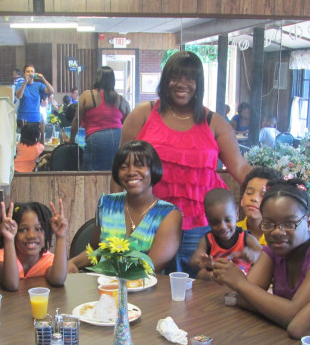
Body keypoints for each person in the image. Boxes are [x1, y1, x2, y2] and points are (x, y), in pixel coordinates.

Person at [119, 50, 251, 276]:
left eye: (190, 78)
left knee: (196, 296)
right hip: (150, 221)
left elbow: (239, 169)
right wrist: (119, 217)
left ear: (199, 83)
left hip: (201, 228)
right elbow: (120, 168)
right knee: (147, 287)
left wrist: (274, 189)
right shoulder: (143, 114)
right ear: (165, 80)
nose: (182, 84)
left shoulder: (214, 122)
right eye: (176, 77)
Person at [213, 179, 310, 328]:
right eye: (268, 224)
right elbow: (245, 298)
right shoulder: (274, 251)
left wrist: (240, 283)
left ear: (308, 223)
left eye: (288, 224)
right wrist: (278, 308)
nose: (277, 231)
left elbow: (295, 318)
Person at [68, 140, 182, 273]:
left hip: (146, 289)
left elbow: (150, 268)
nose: (131, 172)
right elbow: (96, 250)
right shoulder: (106, 204)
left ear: (153, 169)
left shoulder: (169, 215)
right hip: (104, 287)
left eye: (140, 165)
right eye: (124, 166)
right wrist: (72, 262)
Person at [0, 200, 69, 291]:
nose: (31, 235)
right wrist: (9, 240)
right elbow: (11, 285)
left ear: (47, 233)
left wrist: (61, 236)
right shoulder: (0, 257)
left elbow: (58, 280)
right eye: (23, 230)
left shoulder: (47, 259)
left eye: (38, 229)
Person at [189, 188, 260, 281]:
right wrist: (202, 262)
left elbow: (263, 256)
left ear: (236, 215)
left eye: (228, 220)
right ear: (208, 221)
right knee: (202, 274)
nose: (222, 226)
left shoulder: (246, 238)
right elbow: (193, 262)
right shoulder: (208, 240)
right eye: (215, 222)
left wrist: (253, 255)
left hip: (242, 282)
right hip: (217, 281)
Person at [70, 66, 131, 171]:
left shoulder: (87, 96)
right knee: (116, 173)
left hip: (97, 138)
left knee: (91, 176)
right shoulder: (121, 100)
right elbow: (130, 125)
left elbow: (76, 120)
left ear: (97, 78)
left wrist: (71, 141)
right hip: (119, 139)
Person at [237, 166, 283, 245]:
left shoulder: (280, 237)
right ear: (242, 200)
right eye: (249, 193)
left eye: (263, 195)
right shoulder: (231, 232)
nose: (254, 198)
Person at [15, 64, 55, 140]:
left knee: (35, 141)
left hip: (36, 118)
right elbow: (19, 96)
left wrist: (43, 78)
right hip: (23, 119)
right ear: (24, 74)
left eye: (32, 71)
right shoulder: (19, 85)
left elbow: (51, 91)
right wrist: (25, 83)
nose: (30, 73)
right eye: (27, 72)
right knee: (24, 141)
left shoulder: (39, 85)